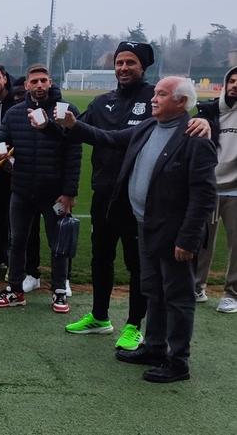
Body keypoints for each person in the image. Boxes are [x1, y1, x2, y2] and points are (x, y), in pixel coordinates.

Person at [54, 76, 217, 383]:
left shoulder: (195, 138)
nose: (154, 98)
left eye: (162, 94)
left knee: (178, 298)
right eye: (155, 93)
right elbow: (110, 138)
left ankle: (178, 361)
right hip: (146, 225)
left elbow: (204, 195)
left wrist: (188, 238)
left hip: (175, 234)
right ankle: (155, 348)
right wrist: (74, 126)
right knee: (153, 290)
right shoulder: (147, 127)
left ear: (181, 102)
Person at [0, 64, 81, 313]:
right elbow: (0, 138)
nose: (39, 85)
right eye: (34, 81)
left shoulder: (66, 111)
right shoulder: (15, 113)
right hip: (21, 189)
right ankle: (15, 289)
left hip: (54, 192)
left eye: (43, 80)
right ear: (27, 85)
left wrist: (69, 192)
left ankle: (59, 291)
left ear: (50, 82)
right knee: (17, 241)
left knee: (58, 243)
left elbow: (74, 153)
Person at [0, 64, 40, 279]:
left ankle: (19, 264)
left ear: (5, 78)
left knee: (18, 219)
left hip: (18, 166)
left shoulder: (16, 99)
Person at [195, 66, 237, 313]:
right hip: (209, 188)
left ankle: (231, 293)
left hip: (235, 191)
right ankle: (196, 286)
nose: (235, 85)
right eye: (231, 80)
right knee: (201, 242)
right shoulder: (209, 111)